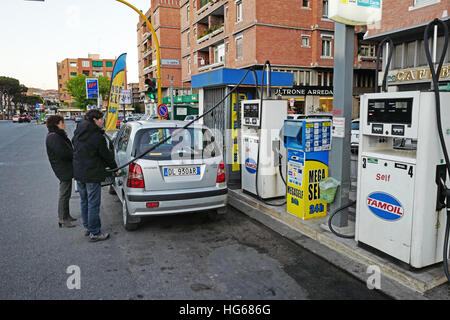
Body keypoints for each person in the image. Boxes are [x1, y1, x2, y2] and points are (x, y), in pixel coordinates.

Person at [72, 109, 118, 242]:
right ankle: (95, 232)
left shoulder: (79, 131)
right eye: (101, 119)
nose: (103, 121)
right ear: (94, 120)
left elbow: (74, 145)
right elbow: (106, 155)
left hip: (79, 172)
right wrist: (115, 168)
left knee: (84, 200)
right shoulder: (96, 136)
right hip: (91, 173)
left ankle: (88, 227)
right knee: (93, 203)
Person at [45, 115, 76, 228]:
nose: (64, 125)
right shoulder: (53, 136)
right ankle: (62, 218)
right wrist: (73, 155)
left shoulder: (57, 135)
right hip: (62, 168)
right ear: (57, 124)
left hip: (65, 167)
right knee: (64, 193)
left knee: (67, 193)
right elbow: (62, 153)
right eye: (63, 123)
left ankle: (66, 215)